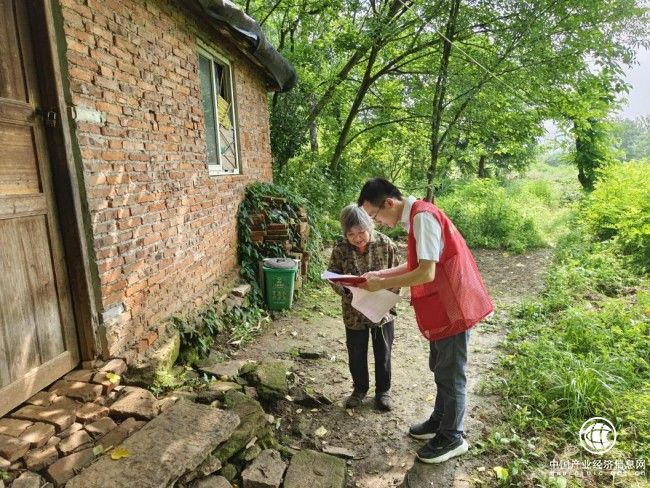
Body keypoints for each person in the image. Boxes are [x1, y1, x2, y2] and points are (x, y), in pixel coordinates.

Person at [356, 178, 493, 464]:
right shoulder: (416, 217)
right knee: (440, 366)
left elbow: (426, 273)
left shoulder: (423, 217)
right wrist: (380, 275)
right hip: (443, 303)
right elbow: (416, 264)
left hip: (452, 305)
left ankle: (453, 436)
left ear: (389, 203)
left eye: (374, 216)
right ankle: (440, 420)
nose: (377, 223)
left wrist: (381, 284)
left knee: (451, 372)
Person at [327, 204, 400, 411]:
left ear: (370, 226)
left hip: (382, 311)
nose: (357, 238)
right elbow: (332, 276)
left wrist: (387, 296)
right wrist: (346, 290)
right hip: (354, 311)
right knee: (356, 353)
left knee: (383, 352)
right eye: (351, 235)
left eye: (361, 232)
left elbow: (398, 275)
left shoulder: (386, 245)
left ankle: (383, 392)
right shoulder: (341, 249)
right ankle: (359, 390)